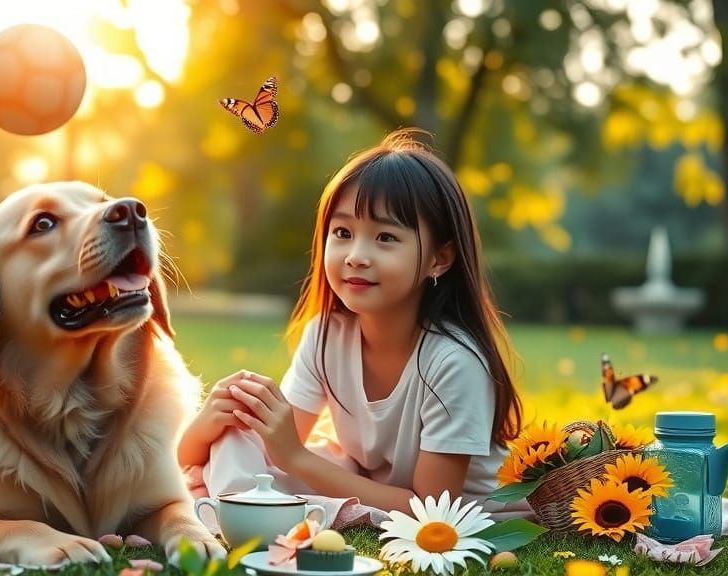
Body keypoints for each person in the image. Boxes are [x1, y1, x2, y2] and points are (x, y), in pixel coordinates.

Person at [178, 128, 529, 519]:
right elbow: (257, 451)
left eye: (385, 237)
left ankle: (237, 506)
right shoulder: (327, 335)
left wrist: (296, 457)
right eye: (343, 232)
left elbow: (432, 510)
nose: (356, 256)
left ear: (439, 259)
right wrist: (212, 421)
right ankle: (234, 504)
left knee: (296, 466)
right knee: (237, 440)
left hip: (438, 505)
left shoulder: (453, 361)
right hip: (362, 478)